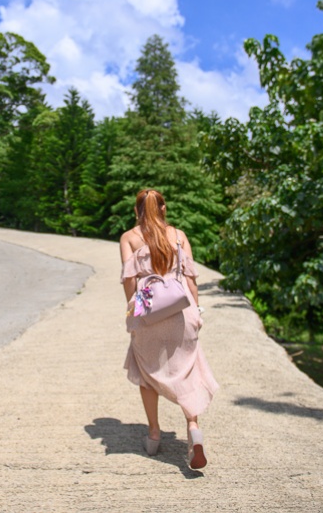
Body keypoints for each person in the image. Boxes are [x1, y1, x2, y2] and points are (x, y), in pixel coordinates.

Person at [119, 188, 218, 470]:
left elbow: (129, 282)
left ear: (136, 211)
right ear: (164, 209)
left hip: (148, 313)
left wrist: (132, 313)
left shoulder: (129, 238)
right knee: (188, 371)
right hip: (181, 313)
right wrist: (196, 312)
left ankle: (153, 434)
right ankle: (193, 427)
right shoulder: (179, 236)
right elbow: (191, 279)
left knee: (147, 374)